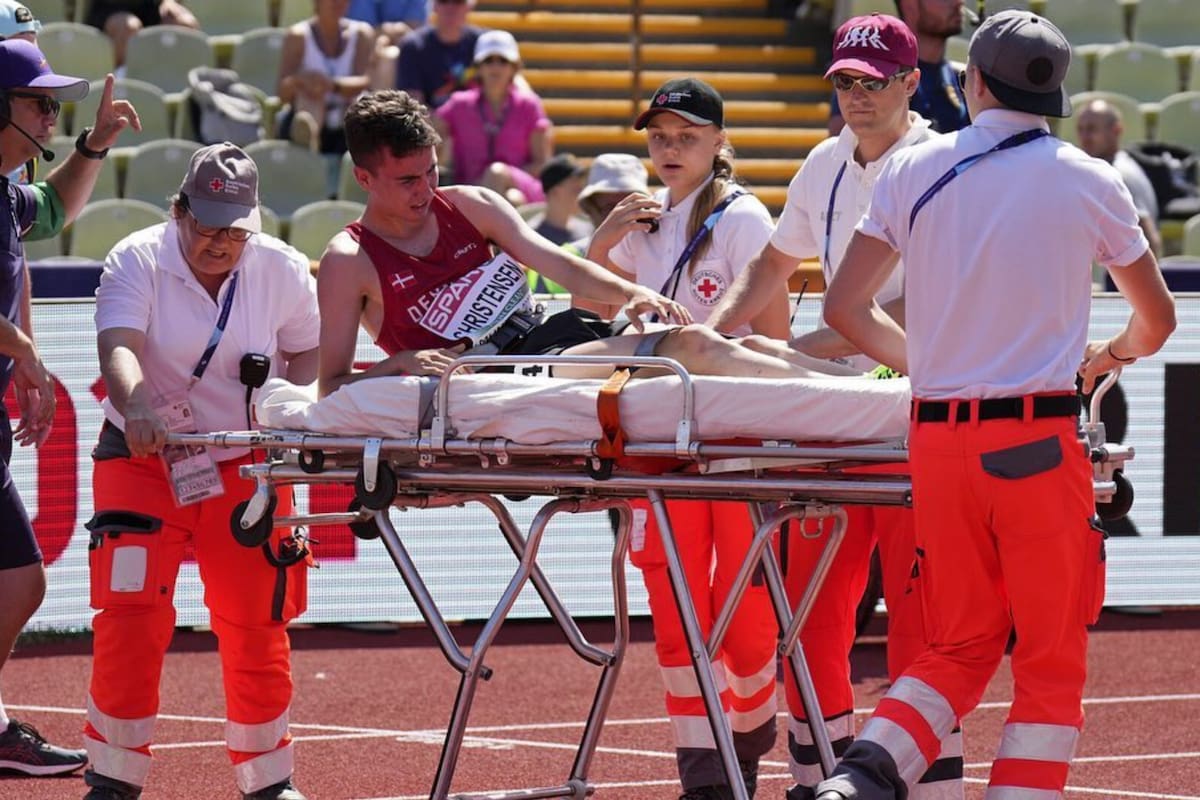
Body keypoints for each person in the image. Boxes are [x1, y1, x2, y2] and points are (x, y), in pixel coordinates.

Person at [811, 11, 1176, 799]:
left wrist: (939, 367)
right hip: (1037, 443)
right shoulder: (1089, 178)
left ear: (973, 81)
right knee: (1048, 658)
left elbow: (844, 307)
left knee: (958, 646)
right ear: (1054, 93)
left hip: (937, 443)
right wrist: (1112, 355)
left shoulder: (912, 166)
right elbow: (1158, 321)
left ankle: (858, 778)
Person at [707, 14, 964, 800]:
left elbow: (934, 298)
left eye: (873, 82)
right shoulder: (824, 161)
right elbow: (774, 262)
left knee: (921, 618)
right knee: (812, 616)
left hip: (913, 410)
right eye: (846, 81)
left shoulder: (942, 163)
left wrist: (806, 345)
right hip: (831, 416)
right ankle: (819, 777)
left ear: (912, 82)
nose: (857, 95)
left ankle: (928, 786)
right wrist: (715, 332)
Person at [317, 90, 855, 398]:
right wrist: (402, 362)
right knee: (693, 346)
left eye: (432, 171)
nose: (426, 190)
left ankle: (868, 392)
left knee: (746, 347)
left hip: (548, 340)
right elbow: (331, 386)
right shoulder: (349, 260)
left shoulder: (471, 204)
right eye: (408, 181)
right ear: (363, 179)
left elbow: (560, 265)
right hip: (490, 374)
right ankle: (852, 399)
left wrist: (630, 293)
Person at [583, 76, 796, 800]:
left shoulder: (743, 218)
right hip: (658, 442)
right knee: (676, 612)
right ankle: (704, 777)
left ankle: (749, 742)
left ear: (719, 141)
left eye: (686, 136)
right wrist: (602, 241)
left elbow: (774, 341)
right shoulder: (645, 218)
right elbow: (587, 311)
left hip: (732, 442)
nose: (669, 149)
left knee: (741, 613)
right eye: (659, 137)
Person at [84, 144, 319, 800]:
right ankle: (112, 777)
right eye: (208, 226)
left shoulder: (281, 267)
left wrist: (289, 408)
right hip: (142, 455)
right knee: (131, 616)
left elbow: (307, 352)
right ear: (179, 211)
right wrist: (136, 405)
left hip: (248, 463)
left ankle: (268, 779)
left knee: (256, 619)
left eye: (235, 231)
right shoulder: (137, 257)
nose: (221, 243)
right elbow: (119, 344)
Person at [0, 38, 139, 778]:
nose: (51, 115)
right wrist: (23, 348)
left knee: (17, 582)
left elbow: (52, 208)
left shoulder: (3, 191)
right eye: (39, 103)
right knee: (18, 580)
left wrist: (94, 144)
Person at [433, 29, 552, 206]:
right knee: (512, 198)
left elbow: (541, 164)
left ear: (514, 68)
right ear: (478, 67)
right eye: (489, 61)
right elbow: (432, 134)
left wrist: (501, 176)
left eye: (503, 61)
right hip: (475, 188)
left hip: (519, 184)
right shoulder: (459, 104)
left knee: (497, 174)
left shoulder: (529, 105)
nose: (495, 67)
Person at [829, 0, 968, 136]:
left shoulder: (963, 77)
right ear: (910, 4)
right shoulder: (861, 71)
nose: (958, 3)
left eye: (873, 83)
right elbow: (847, 145)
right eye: (875, 84)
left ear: (912, 82)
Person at [276, 0, 374, 156]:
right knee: (309, 100)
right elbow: (282, 93)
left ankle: (356, 150)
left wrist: (332, 85)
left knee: (360, 102)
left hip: (347, 115)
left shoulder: (362, 33)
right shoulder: (297, 36)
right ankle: (309, 144)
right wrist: (302, 81)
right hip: (310, 109)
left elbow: (365, 80)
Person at [1076, 98, 1163, 258]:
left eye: (1092, 129)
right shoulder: (1112, 169)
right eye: (1080, 129)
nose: (1084, 136)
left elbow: (1149, 242)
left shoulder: (1120, 174)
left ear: (1116, 130)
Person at [395, 0, 483, 109]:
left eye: (458, 2)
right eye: (443, 1)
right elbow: (413, 102)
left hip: (479, 118)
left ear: (469, 6)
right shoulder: (413, 45)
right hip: (430, 118)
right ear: (434, 5)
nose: (450, 7)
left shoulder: (484, 43)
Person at [84, 0, 201, 70]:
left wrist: (168, 2)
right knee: (128, 29)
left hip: (149, 6)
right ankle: (118, 88)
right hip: (110, 8)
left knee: (186, 25)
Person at [526, 152, 590, 248]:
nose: (583, 195)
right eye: (576, 190)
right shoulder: (531, 238)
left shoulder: (589, 230)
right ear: (554, 192)